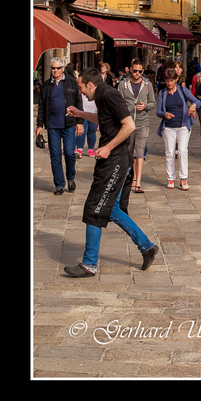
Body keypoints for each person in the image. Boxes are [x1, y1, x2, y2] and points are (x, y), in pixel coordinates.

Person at [63, 66, 160, 278]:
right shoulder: (102, 96)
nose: (80, 92)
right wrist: (81, 114)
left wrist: (107, 147)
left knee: (94, 208)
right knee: (111, 209)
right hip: (113, 161)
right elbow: (106, 120)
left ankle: (89, 264)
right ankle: (147, 247)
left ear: (90, 84)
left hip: (114, 161)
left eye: (81, 87)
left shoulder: (109, 95)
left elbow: (129, 125)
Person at [35, 54, 84, 195]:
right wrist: (39, 125)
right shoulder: (46, 85)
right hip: (53, 126)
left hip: (68, 125)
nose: (55, 70)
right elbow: (42, 106)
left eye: (58, 68)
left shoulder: (71, 82)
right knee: (55, 155)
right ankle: (59, 184)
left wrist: (79, 122)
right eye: (53, 68)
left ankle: (71, 178)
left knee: (69, 153)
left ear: (63, 68)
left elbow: (78, 103)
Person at [118, 61, 155, 193]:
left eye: (140, 71)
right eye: (135, 71)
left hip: (142, 122)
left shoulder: (147, 84)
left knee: (139, 152)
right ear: (131, 70)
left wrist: (145, 106)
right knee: (130, 151)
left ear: (143, 71)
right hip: (128, 123)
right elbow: (119, 102)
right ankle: (133, 177)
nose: (137, 73)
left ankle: (138, 182)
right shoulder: (123, 84)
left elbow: (152, 103)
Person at [158, 66, 196, 191]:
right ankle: (170, 178)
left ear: (176, 80)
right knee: (169, 152)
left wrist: (193, 106)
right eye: (167, 81)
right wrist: (165, 114)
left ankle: (183, 178)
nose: (169, 83)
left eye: (172, 80)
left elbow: (197, 101)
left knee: (182, 151)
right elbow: (158, 111)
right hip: (169, 127)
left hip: (183, 125)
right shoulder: (162, 93)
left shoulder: (183, 90)